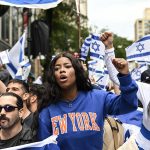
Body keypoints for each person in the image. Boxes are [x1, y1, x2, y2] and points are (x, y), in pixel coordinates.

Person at [38, 43, 138, 149]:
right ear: (54, 76)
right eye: (57, 69)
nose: (62, 70)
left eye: (67, 66)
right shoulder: (47, 108)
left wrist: (125, 76)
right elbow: (44, 145)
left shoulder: (98, 97)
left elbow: (129, 105)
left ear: (77, 71)